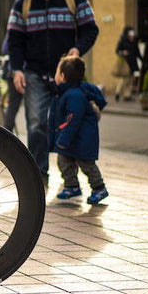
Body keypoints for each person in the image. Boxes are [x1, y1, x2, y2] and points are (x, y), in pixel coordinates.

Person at [7, 0, 99, 186]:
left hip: (66, 75)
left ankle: (71, 178)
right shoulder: (22, 3)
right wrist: (17, 70)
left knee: (70, 122)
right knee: (37, 123)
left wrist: (78, 49)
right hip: (34, 73)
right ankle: (39, 175)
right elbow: (14, 40)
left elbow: (91, 29)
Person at [49, 56, 109, 205]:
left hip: (81, 140)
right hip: (73, 139)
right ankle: (72, 186)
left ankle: (99, 188)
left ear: (63, 76)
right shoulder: (67, 93)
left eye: (57, 72)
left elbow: (73, 119)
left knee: (87, 165)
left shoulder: (74, 95)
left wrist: (63, 140)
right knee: (64, 161)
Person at [114, 25, 141, 101]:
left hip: (133, 62)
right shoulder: (123, 41)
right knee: (125, 79)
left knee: (131, 79)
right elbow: (117, 51)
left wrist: (141, 59)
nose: (131, 34)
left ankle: (127, 95)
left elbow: (137, 51)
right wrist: (122, 52)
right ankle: (118, 92)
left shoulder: (134, 41)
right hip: (126, 63)